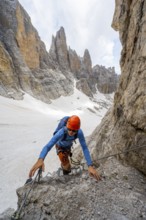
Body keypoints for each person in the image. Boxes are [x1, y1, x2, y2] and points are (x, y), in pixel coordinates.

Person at [29, 115, 101, 181]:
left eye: (74, 130)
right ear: (67, 126)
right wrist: (41, 159)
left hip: (68, 147)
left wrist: (90, 166)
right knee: (67, 168)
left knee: (68, 167)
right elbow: (48, 146)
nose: (71, 132)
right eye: (69, 129)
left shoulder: (79, 132)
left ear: (77, 130)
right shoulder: (61, 132)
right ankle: (65, 171)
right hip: (60, 147)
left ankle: (64, 168)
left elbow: (84, 147)